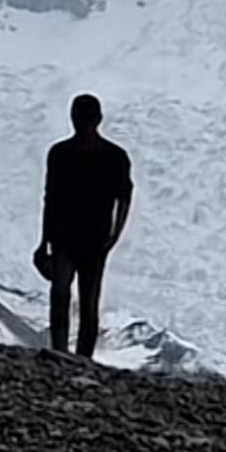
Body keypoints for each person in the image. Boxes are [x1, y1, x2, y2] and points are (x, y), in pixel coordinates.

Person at [33, 93, 133, 358]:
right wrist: (45, 242)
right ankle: (66, 354)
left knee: (79, 300)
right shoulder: (109, 156)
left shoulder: (66, 154)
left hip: (87, 239)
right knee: (67, 296)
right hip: (76, 237)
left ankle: (74, 356)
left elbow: (123, 198)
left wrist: (113, 237)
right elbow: (51, 198)